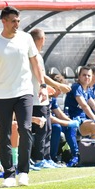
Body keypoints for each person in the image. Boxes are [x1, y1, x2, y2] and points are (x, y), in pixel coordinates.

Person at [0, 6, 47, 187]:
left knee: (24, 128)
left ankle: (23, 171)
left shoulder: (26, 38)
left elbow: (35, 62)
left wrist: (43, 85)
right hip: (2, 95)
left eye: (18, 21)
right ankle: (8, 174)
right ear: (4, 21)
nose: (17, 24)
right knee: (4, 133)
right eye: (13, 21)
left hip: (24, 92)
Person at [29, 28, 71, 169]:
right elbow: (41, 74)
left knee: (48, 129)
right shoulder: (33, 55)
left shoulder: (37, 55)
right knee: (41, 130)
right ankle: (39, 159)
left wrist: (47, 87)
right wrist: (58, 85)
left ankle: (47, 158)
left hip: (43, 98)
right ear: (41, 39)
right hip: (36, 99)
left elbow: (39, 77)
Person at [48, 74, 80, 163]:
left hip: (48, 124)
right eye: (58, 89)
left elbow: (59, 114)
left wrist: (71, 122)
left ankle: (75, 155)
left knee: (69, 127)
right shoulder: (43, 97)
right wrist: (68, 123)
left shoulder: (53, 99)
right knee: (57, 127)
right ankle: (52, 158)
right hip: (38, 124)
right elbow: (50, 118)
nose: (59, 93)